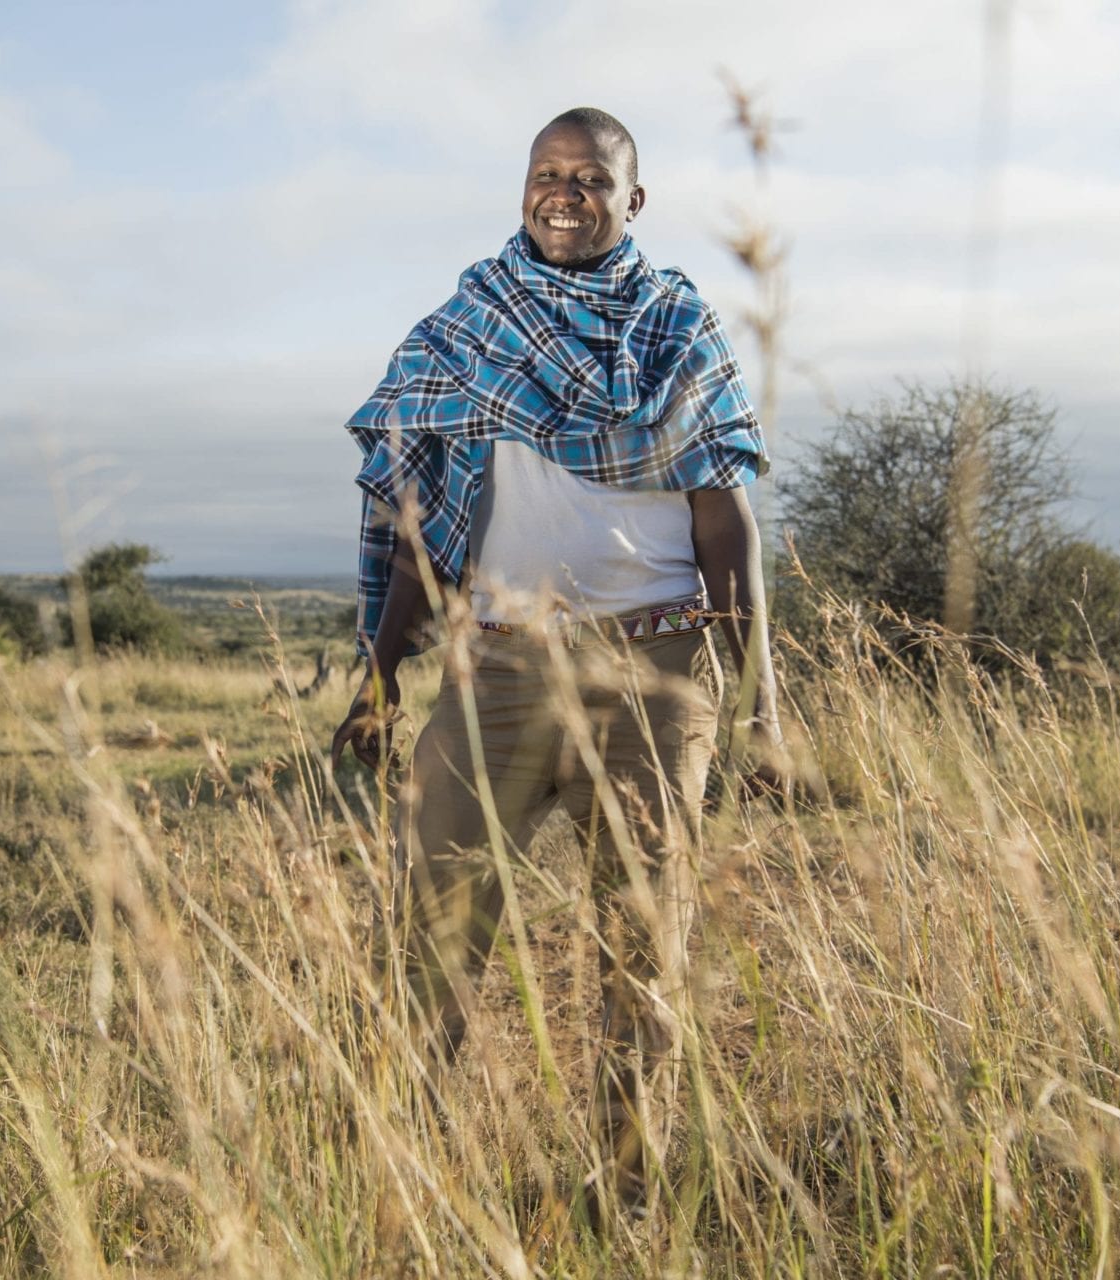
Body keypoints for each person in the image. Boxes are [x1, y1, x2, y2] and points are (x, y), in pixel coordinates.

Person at [332, 105, 782, 1224]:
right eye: (547, 172)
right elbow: (420, 523)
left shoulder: (679, 327)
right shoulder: (469, 327)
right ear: (523, 188)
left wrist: (764, 700)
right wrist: (381, 676)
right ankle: (402, 1166)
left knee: (642, 943)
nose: (565, 191)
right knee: (431, 920)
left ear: (634, 200)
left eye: (591, 176)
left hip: (655, 671)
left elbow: (728, 522)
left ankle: (622, 1191)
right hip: (497, 666)